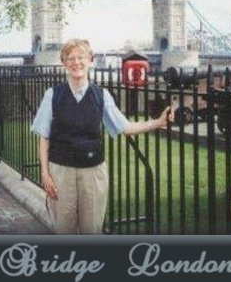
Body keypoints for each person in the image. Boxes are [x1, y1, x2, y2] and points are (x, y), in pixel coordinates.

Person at [31, 38, 174, 235]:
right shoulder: (52, 95)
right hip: (60, 173)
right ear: (64, 63)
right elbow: (44, 137)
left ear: (90, 60)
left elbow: (125, 127)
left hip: (93, 173)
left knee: (92, 231)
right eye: (70, 58)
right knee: (64, 231)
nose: (76, 62)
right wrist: (45, 174)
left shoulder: (102, 96)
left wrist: (157, 123)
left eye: (81, 57)